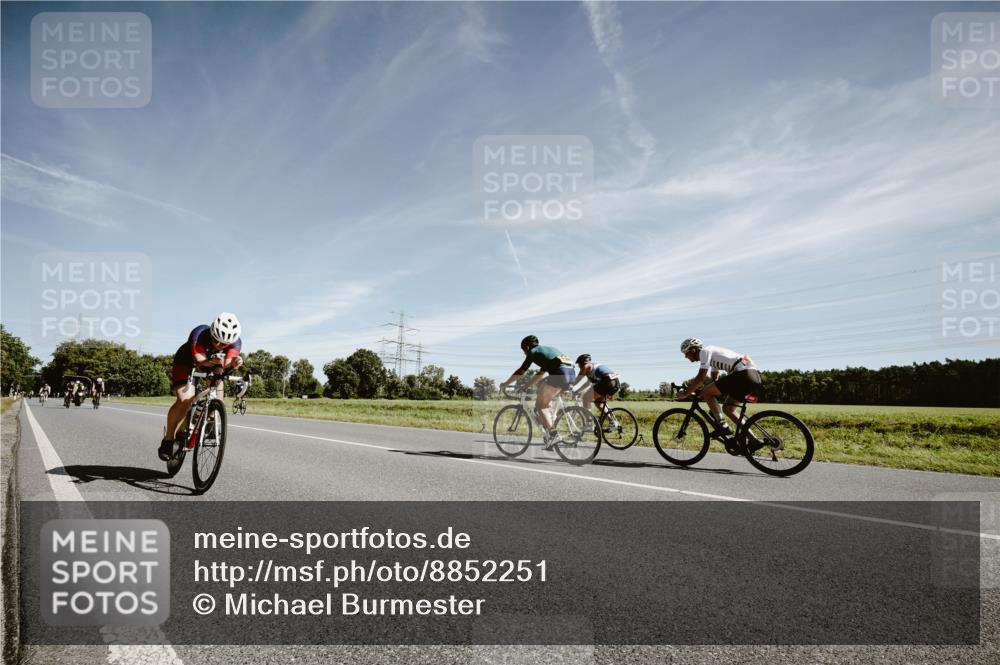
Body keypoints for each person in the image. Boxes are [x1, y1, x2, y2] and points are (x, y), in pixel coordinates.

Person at [159, 313, 244, 460]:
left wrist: (234, 363)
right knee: (185, 399)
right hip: (187, 363)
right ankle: (168, 438)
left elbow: (228, 362)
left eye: (224, 344)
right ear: (212, 332)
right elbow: (199, 361)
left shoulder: (236, 343)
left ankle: (208, 424)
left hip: (212, 365)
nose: (219, 345)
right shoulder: (199, 333)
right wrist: (214, 361)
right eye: (216, 340)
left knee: (218, 400)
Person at [499, 336, 576, 449]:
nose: (524, 354)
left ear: (527, 347)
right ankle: (549, 427)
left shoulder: (533, 352)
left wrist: (505, 384)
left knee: (540, 406)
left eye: (523, 351)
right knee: (543, 393)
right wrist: (526, 385)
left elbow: (521, 371)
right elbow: (540, 374)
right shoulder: (547, 351)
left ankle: (553, 434)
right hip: (571, 375)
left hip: (559, 374)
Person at [676, 338, 762, 432]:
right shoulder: (713, 354)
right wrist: (702, 394)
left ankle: (723, 426)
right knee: (728, 409)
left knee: (706, 392)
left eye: (686, 353)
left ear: (693, 350)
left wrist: (686, 393)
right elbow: (714, 380)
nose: (685, 357)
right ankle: (752, 438)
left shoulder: (705, 352)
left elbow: (701, 378)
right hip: (753, 376)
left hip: (743, 374)